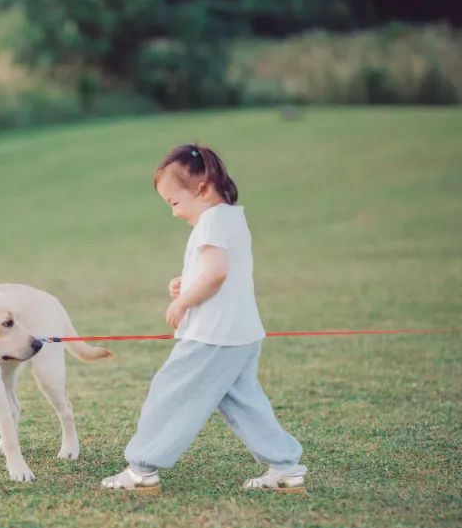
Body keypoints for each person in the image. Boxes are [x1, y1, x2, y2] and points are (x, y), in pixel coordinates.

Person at [101, 144, 307, 494]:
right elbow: (219, 271)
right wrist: (186, 282)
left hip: (212, 336)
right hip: (240, 334)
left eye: (175, 203)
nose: (174, 213)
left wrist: (183, 303)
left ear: (201, 188)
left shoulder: (211, 221)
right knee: (245, 404)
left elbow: (216, 275)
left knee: (169, 394)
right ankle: (285, 468)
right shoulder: (231, 217)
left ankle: (141, 471)